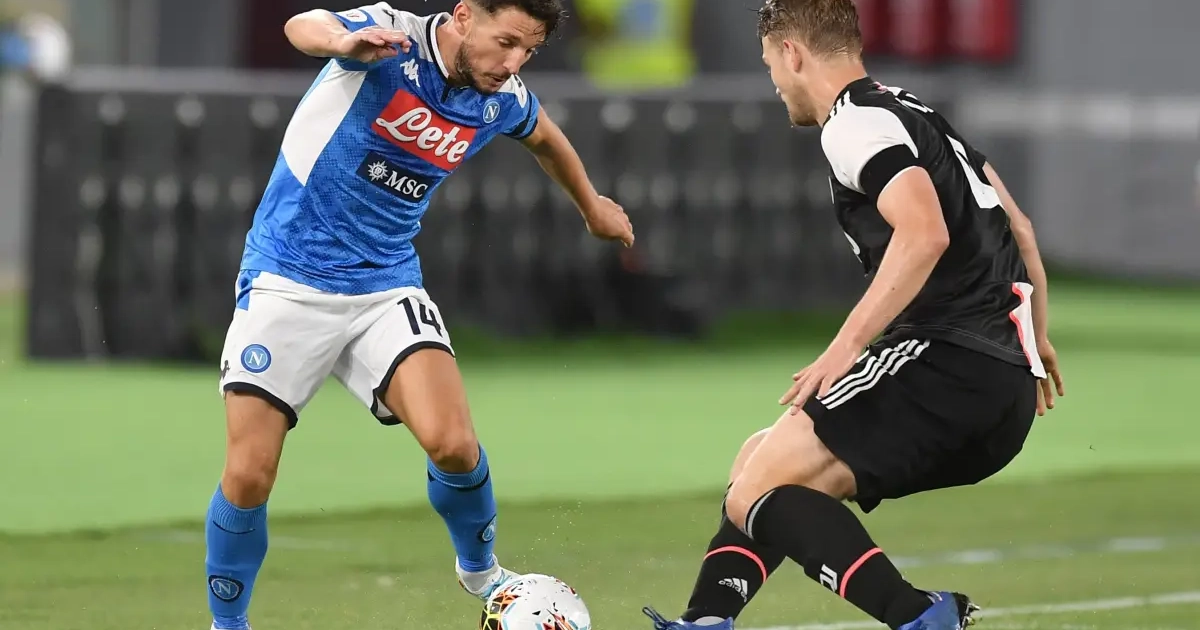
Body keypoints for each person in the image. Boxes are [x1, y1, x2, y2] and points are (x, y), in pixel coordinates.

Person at [204, 2, 634, 629]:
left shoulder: (501, 97)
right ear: (464, 16)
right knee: (249, 474)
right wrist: (339, 42)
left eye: (530, 51)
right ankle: (228, 624)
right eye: (506, 41)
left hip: (385, 286)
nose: (514, 63)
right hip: (288, 279)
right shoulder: (391, 38)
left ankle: (482, 575)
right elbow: (302, 25)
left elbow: (545, 135)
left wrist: (591, 206)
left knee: (455, 445)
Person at [641, 1, 1064, 629]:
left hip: (946, 362)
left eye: (769, 64)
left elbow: (924, 234)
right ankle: (707, 620)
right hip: (1000, 389)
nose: (775, 82)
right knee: (759, 461)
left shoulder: (852, 123)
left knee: (760, 487)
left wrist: (843, 349)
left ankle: (920, 616)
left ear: (792, 53)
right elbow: (1020, 228)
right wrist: (1037, 339)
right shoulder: (916, 113)